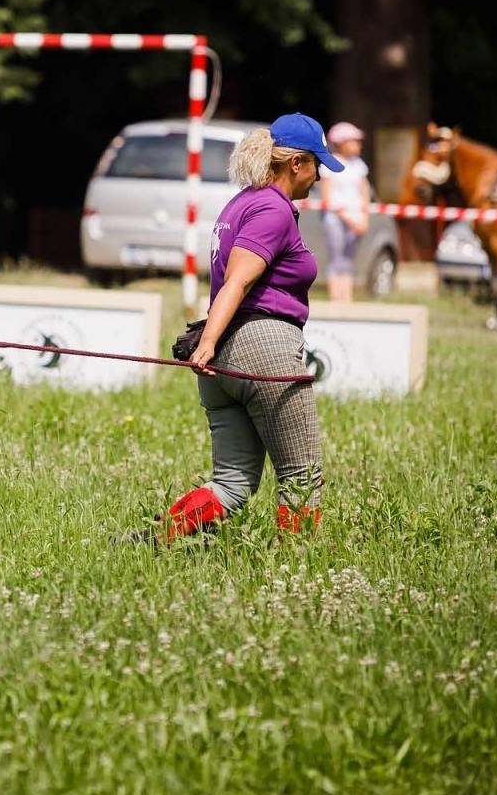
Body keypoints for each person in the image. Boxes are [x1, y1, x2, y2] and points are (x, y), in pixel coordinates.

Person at [153, 113, 338, 543]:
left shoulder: (241, 202)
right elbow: (238, 279)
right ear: (296, 163)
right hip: (263, 347)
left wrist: (212, 345)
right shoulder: (273, 209)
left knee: (232, 484)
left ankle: (156, 542)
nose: (319, 177)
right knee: (301, 478)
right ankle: (297, 572)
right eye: (318, 165)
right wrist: (208, 342)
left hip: (224, 359)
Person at [316, 121, 370, 302]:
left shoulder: (359, 165)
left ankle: (346, 299)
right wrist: (349, 219)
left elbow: (364, 193)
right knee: (336, 259)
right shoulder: (329, 164)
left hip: (355, 218)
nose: (358, 145)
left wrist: (364, 218)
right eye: (353, 141)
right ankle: (335, 299)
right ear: (341, 143)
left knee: (348, 260)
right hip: (335, 218)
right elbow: (327, 197)